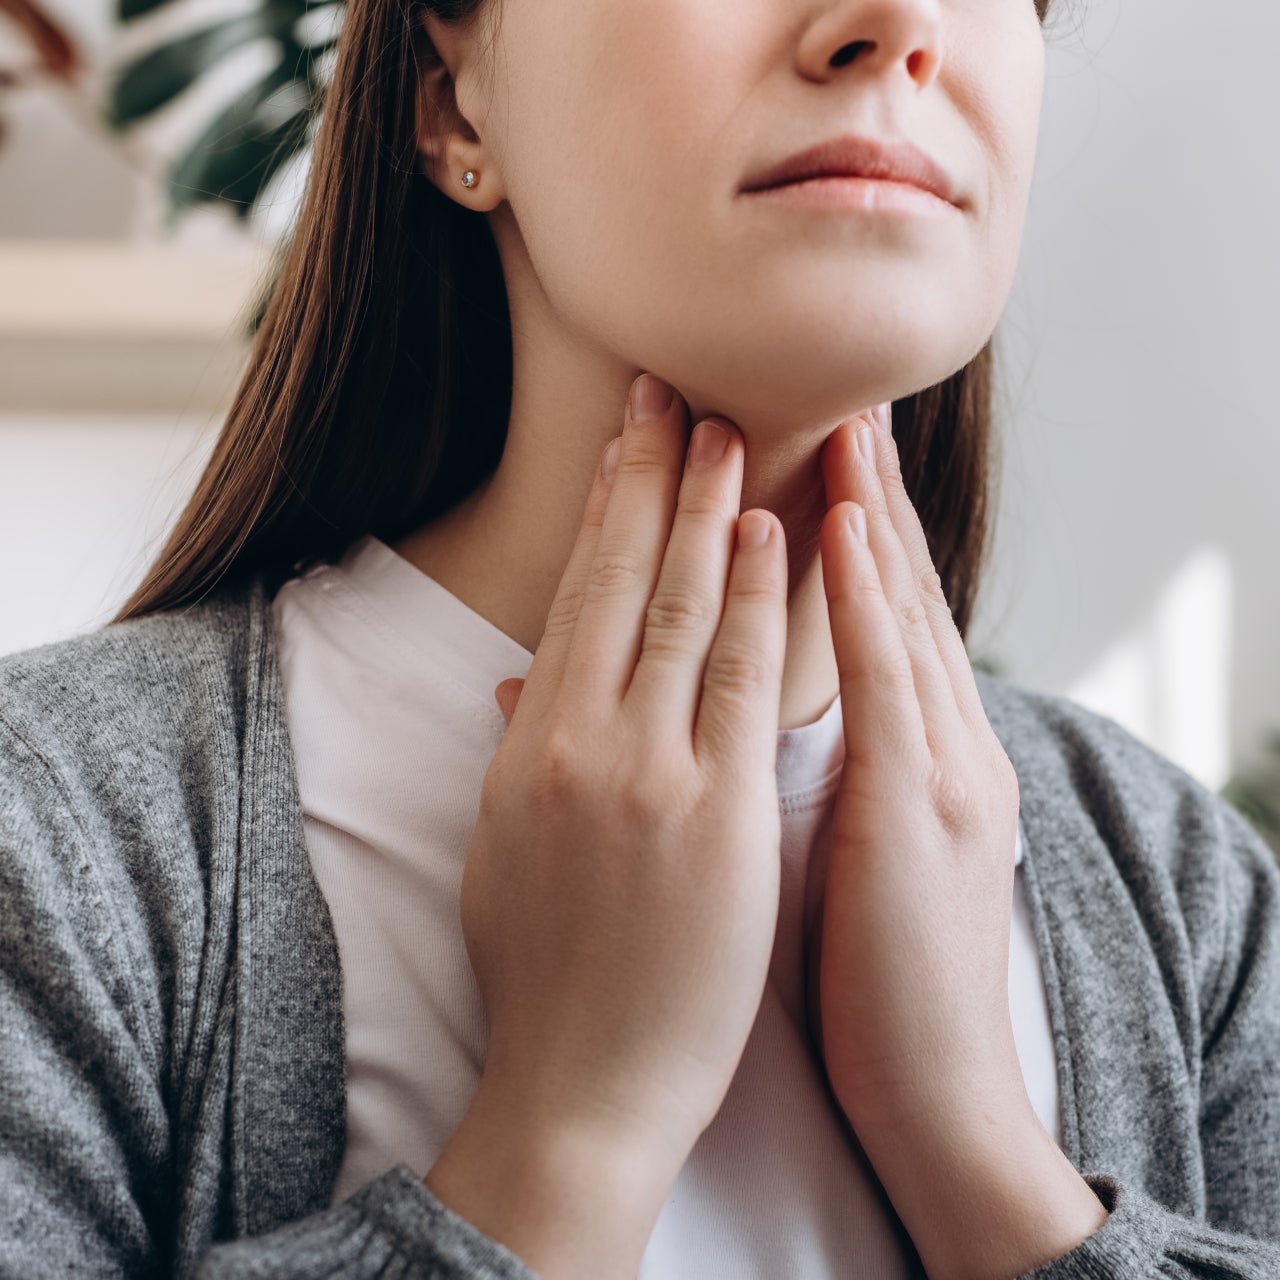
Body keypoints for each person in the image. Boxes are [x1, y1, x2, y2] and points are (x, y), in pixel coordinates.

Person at [2, 0, 1278, 1275]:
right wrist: (567, 1136)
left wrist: (978, 1149)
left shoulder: (1183, 887)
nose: (896, 26)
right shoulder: (51, 837)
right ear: (454, 100)